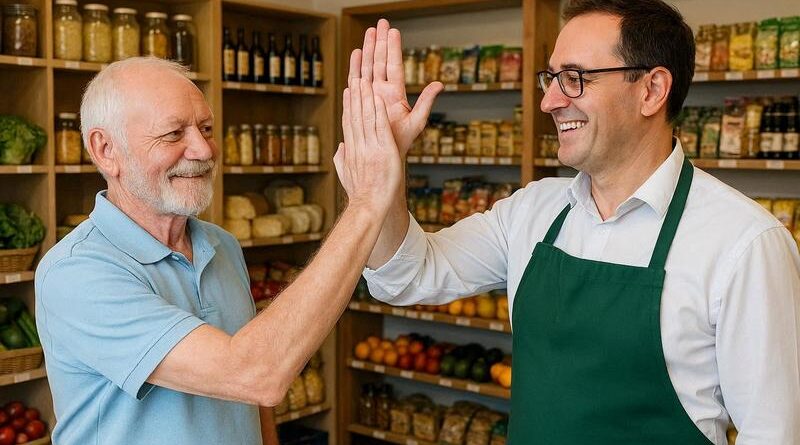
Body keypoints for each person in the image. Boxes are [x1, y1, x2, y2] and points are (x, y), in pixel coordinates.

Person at [355, 2, 800, 444]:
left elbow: (773, 434)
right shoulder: (532, 211)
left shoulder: (746, 243)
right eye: (551, 78)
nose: (549, 101)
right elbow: (404, 276)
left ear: (652, 89)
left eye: (575, 78)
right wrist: (387, 171)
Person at [34, 57, 401, 444]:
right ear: (105, 149)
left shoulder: (220, 244)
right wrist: (368, 200)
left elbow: (252, 402)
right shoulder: (76, 273)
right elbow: (257, 374)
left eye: (206, 128)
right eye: (174, 134)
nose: (203, 149)